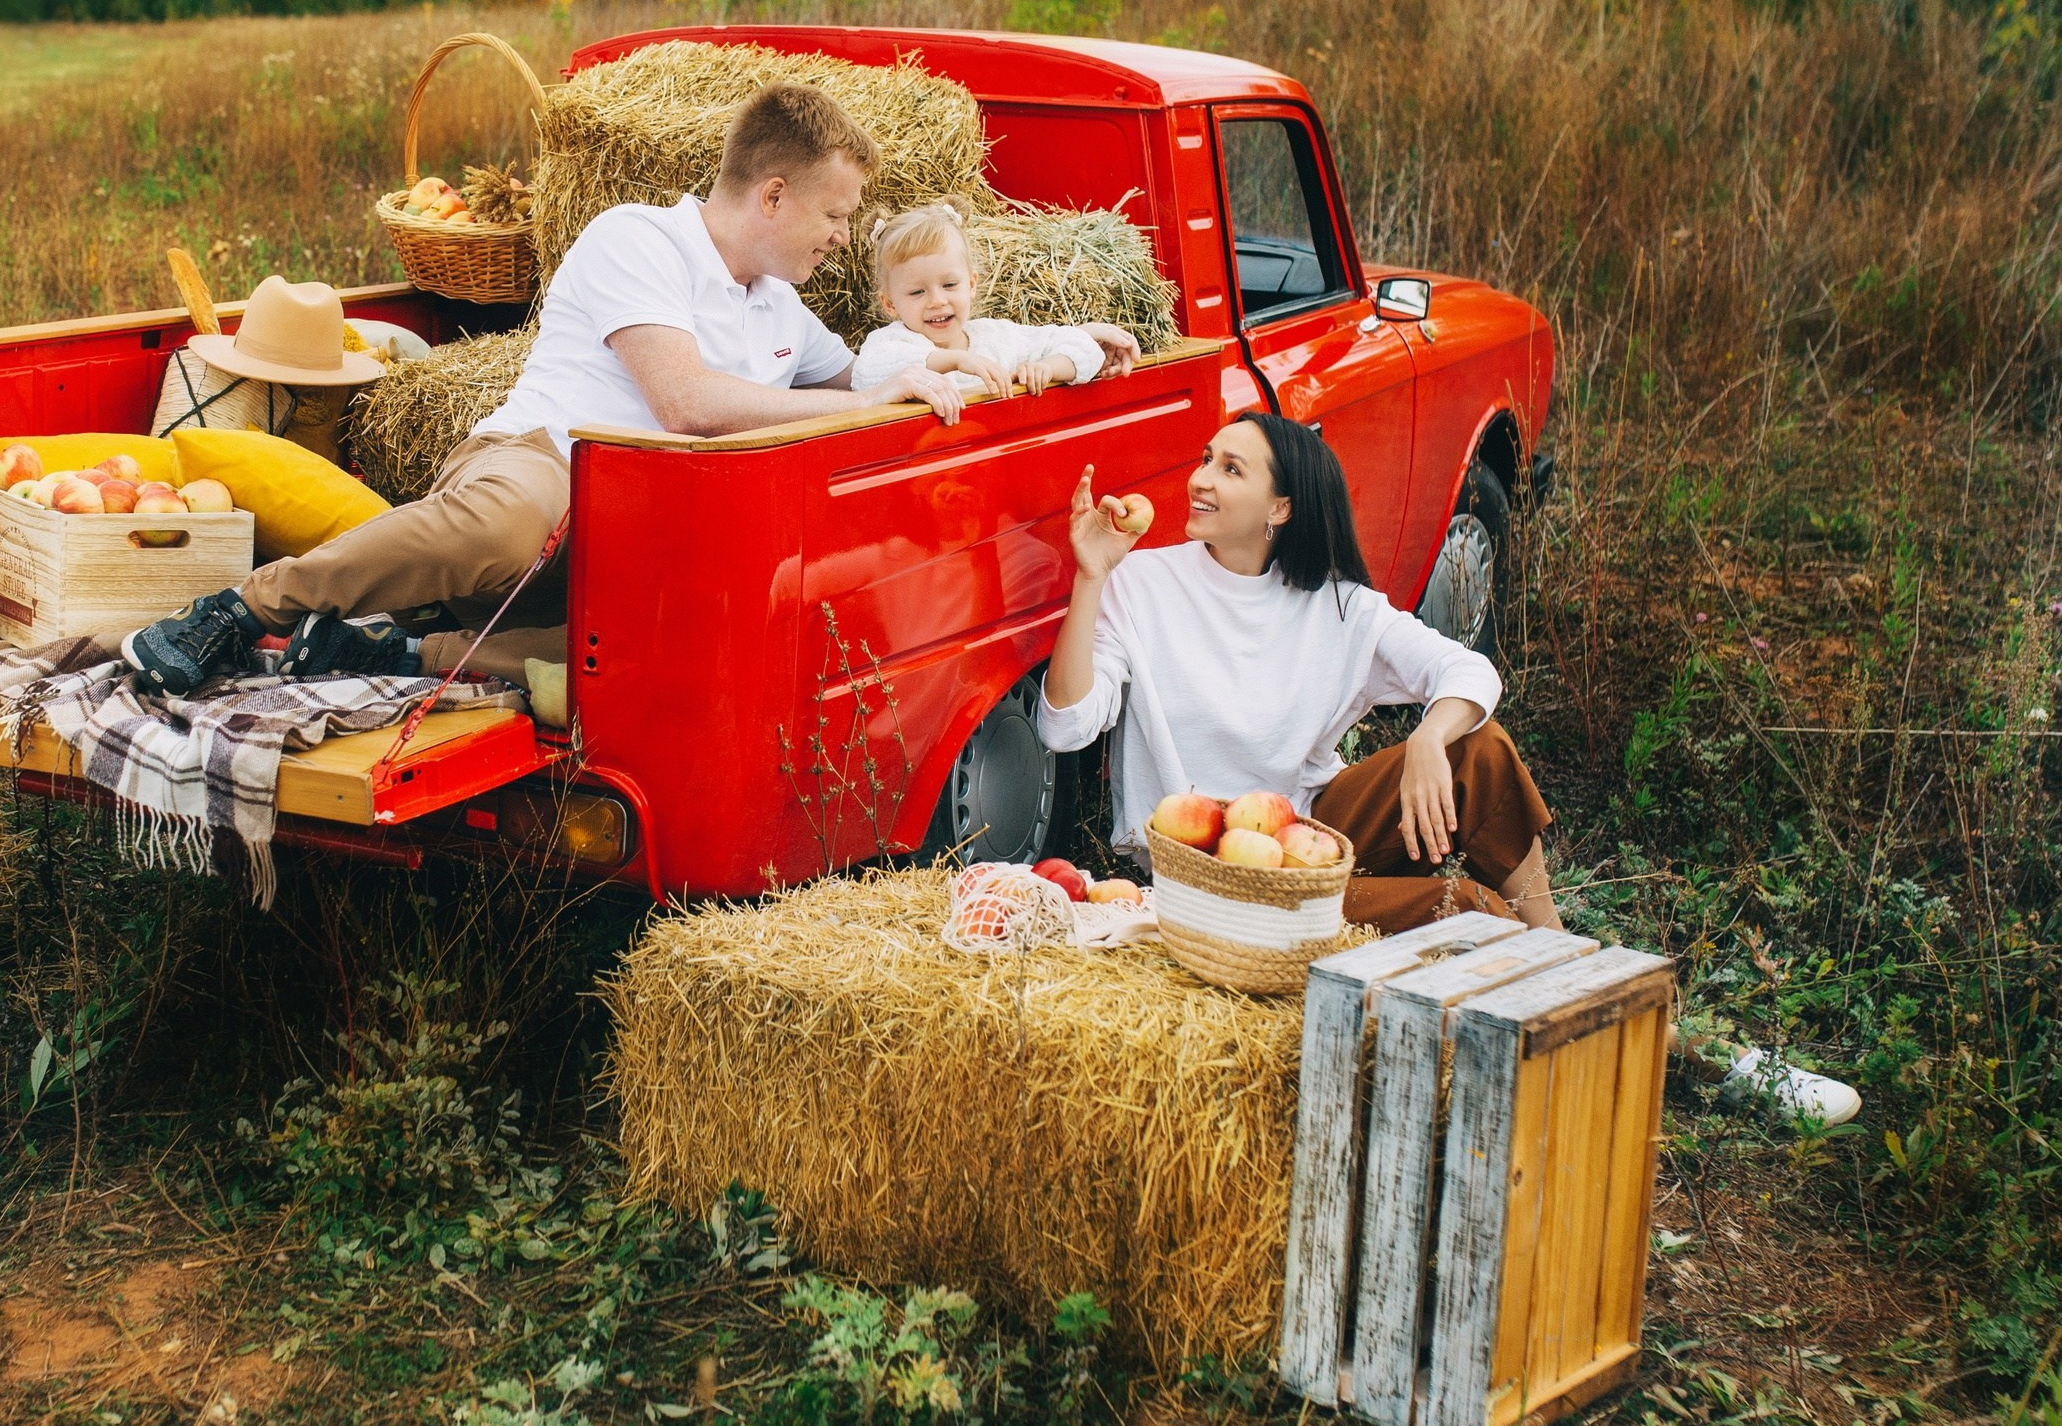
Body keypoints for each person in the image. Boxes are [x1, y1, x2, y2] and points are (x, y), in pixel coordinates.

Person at [122, 84, 970, 696]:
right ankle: (237, 610)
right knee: (515, 520)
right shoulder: (637, 239)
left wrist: (1047, 351)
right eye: (838, 214)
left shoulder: (781, 308)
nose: (844, 236)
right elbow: (687, 404)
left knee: (691, 645)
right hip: (538, 466)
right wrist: (868, 403)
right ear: (775, 196)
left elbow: (887, 364)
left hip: (633, 535)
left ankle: (390, 653)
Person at [1035, 410, 1563, 933]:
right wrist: (1092, 575)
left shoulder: (1335, 605)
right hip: (1210, 874)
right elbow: (1066, 727)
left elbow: (1468, 670)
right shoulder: (1140, 583)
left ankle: (1563, 955)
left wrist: (1429, 737)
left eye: (1230, 469)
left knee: (1481, 750)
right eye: (1206, 460)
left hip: (1312, 833)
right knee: (1470, 908)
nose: (1201, 478)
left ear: (1281, 508)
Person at [846, 200, 1140, 395]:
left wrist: (1050, 366)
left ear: (971, 284)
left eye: (949, 284)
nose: (937, 300)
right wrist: (957, 360)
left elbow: (1082, 351)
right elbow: (869, 375)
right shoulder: (889, 344)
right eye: (917, 292)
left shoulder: (996, 336)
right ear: (890, 304)